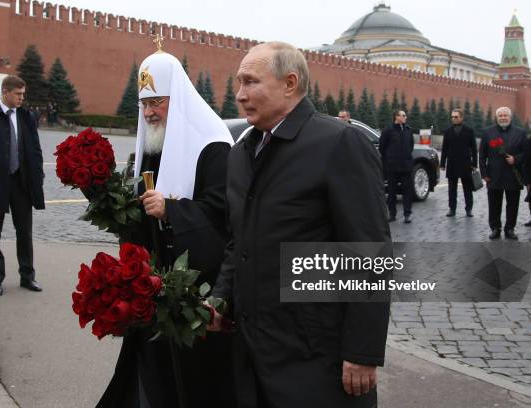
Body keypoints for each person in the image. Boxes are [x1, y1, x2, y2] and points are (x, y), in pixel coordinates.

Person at [209, 41, 390, 408]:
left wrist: (363, 351)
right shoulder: (242, 154)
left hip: (315, 355)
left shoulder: (340, 142)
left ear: (290, 83)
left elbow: (369, 252)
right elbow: (238, 241)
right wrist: (220, 296)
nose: (240, 95)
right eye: (238, 83)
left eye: (250, 82)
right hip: (253, 349)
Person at [97, 51, 235, 408]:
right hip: (153, 285)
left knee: (193, 381)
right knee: (148, 372)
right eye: (143, 104)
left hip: (194, 289)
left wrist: (172, 210)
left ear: (178, 97)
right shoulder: (153, 143)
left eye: (156, 102)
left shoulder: (213, 143)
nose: (148, 113)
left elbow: (224, 215)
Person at [0, 75, 45, 296]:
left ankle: (27, 276)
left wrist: (37, 175)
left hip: (21, 183)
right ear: (5, 92)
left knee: (25, 232)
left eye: (23, 94)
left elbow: (35, 149)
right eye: (18, 94)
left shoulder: (26, 117)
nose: (22, 98)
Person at [479, 106, 527, 240]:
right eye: (500, 116)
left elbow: (526, 153)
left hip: (513, 174)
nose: (503, 118)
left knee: (513, 204)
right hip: (494, 175)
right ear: (497, 117)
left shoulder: (520, 133)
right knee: (494, 203)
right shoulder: (488, 132)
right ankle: (495, 228)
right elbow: (482, 155)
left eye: (505, 115)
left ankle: (510, 229)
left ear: (510, 117)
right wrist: (484, 173)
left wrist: (515, 159)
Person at [440, 108, 478, 217]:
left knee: (468, 189)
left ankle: (469, 209)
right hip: (452, 164)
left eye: (456, 117)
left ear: (461, 117)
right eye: (452, 117)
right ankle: (452, 209)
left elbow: (474, 149)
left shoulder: (469, 131)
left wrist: (474, 164)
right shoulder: (448, 131)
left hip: (466, 164)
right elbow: (445, 148)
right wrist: (442, 164)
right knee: (452, 189)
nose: (453, 119)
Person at [380, 110, 414, 223]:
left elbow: (411, 146)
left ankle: (407, 214)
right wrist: (388, 161)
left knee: (407, 191)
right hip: (392, 167)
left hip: (406, 167)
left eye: (405, 115)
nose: (405, 117)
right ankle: (392, 214)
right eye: (403, 115)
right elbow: (382, 148)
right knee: (392, 192)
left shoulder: (408, 130)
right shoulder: (388, 130)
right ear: (396, 117)